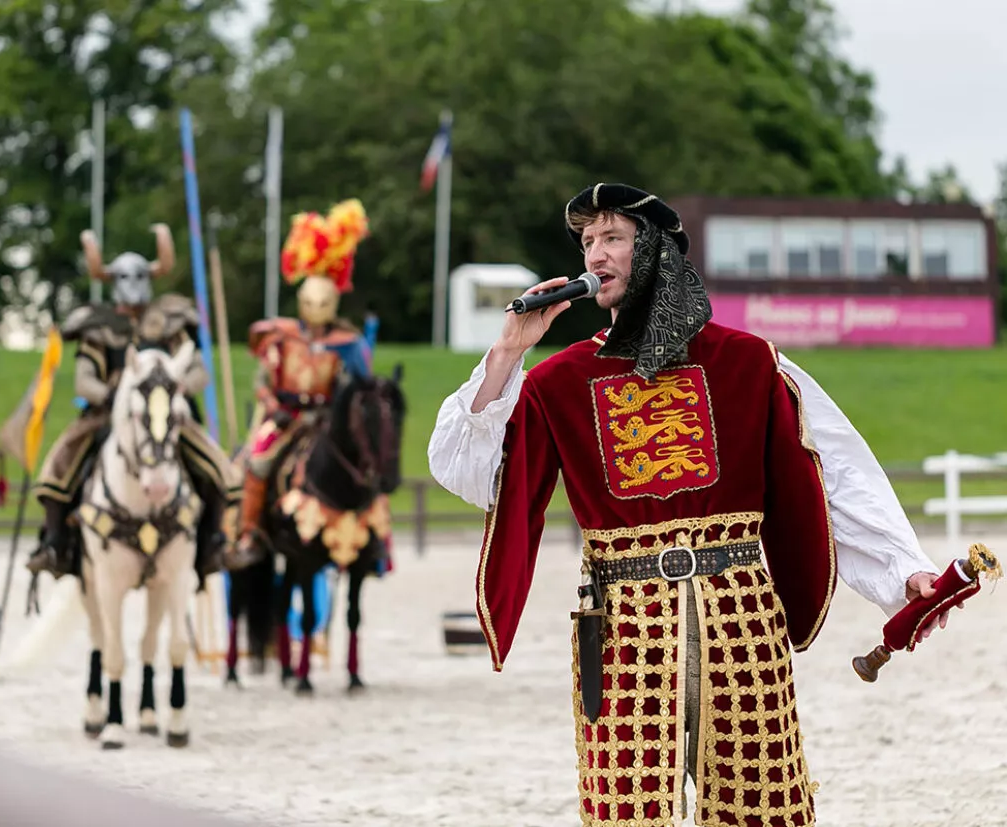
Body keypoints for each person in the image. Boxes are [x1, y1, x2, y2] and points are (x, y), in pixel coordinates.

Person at [426, 183, 953, 826]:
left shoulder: (748, 362)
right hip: (622, 626)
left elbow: (835, 472)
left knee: (763, 811)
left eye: (613, 237)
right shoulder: (557, 382)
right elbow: (474, 473)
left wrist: (902, 572)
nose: (595, 253)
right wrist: (508, 350)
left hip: (741, 621)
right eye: (587, 241)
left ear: (655, 252)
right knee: (626, 814)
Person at [25, 223, 235, 584]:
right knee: (58, 467)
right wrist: (111, 394)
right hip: (109, 416)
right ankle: (55, 543)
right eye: (126, 277)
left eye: (140, 276)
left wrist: (179, 388)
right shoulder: (100, 325)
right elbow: (84, 379)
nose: (134, 286)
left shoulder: (170, 321)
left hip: (167, 415)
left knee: (218, 468)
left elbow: (200, 371)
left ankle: (214, 542)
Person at [228, 198, 375, 569]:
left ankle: (374, 542)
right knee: (258, 463)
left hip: (326, 420)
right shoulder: (282, 337)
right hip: (285, 418)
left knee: (367, 461)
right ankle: (250, 532)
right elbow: (263, 379)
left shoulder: (347, 343)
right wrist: (271, 403)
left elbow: (357, 386)